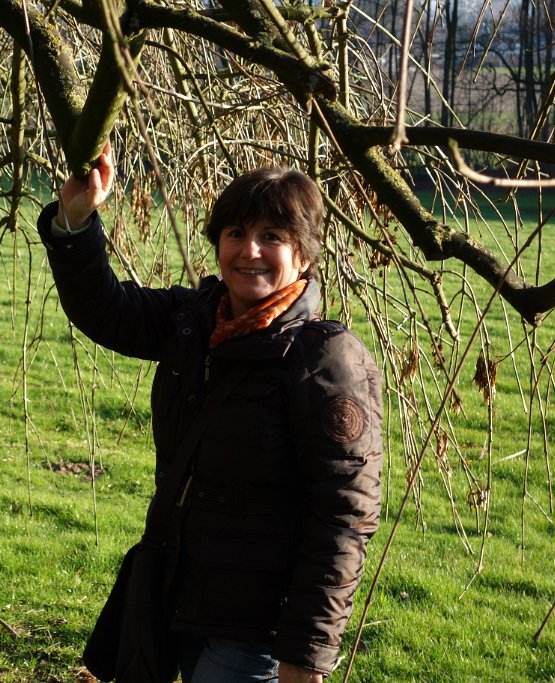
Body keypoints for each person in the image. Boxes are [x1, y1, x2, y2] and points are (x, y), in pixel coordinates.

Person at [38, 144, 383, 683]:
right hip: (177, 596)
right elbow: (104, 309)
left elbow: (344, 514)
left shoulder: (326, 360)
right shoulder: (194, 322)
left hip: (256, 630)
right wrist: (76, 220)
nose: (250, 250)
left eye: (273, 236)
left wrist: (307, 652)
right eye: (235, 233)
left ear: (304, 255)